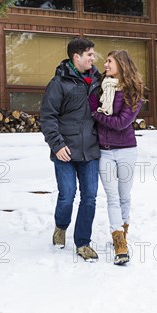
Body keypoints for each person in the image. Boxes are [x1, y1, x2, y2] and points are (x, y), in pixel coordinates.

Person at [40, 37, 102, 262]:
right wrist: (57, 145)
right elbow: (48, 118)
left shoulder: (98, 81)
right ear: (76, 57)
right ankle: (61, 226)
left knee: (90, 197)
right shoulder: (58, 83)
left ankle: (83, 243)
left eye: (93, 54)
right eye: (89, 55)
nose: (93, 58)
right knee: (67, 195)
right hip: (64, 151)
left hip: (91, 151)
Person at [89, 50, 144, 266]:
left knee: (124, 195)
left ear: (121, 64)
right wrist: (99, 115)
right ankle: (119, 241)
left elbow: (121, 123)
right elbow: (94, 111)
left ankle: (124, 229)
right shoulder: (101, 88)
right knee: (111, 197)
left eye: (109, 61)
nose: (105, 64)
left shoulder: (133, 92)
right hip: (104, 150)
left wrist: (97, 115)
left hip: (127, 149)